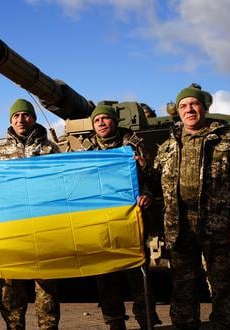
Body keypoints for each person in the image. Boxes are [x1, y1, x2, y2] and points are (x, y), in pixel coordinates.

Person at [154, 86, 230, 329]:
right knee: (183, 286)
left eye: (194, 104)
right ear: (178, 112)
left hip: (217, 224)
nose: (189, 109)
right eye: (183, 106)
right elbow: (153, 180)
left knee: (222, 285)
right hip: (180, 225)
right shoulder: (168, 146)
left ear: (204, 107)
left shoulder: (228, 140)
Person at [0, 98, 61, 330]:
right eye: (16, 116)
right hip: (12, 229)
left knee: (46, 287)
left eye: (26, 115)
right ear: (11, 121)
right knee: (11, 287)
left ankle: (48, 326)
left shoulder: (50, 149)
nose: (21, 119)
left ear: (33, 118)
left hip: (44, 226)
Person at [78, 104, 161, 330]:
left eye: (106, 119)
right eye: (97, 120)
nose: (102, 123)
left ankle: (147, 320)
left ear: (115, 121)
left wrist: (146, 194)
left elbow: (151, 180)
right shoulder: (86, 150)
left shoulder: (133, 144)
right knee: (106, 278)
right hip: (101, 222)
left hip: (130, 221)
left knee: (138, 275)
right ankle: (114, 322)